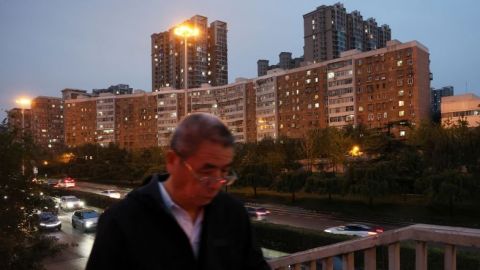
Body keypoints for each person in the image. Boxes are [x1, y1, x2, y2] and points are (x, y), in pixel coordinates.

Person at [86, 113, 270, 270]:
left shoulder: (233, 213)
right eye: (205, 172)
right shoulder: (121, 222)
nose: (216, 184)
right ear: (172, 160)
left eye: (224, 172)